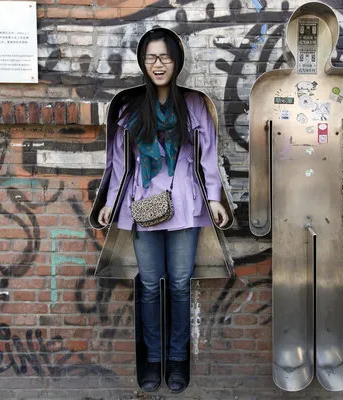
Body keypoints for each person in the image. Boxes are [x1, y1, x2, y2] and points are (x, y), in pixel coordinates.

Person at [96, 28, 229, 393]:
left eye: (165, 57)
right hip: (142, 205)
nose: (158, 64)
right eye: (152, 57)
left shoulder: (195, 104)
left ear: (177, 61)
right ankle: (153, 360)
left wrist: (215, 198)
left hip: (185, 204)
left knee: (181, 285)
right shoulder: (128, 107)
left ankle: (178, 360)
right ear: (142, 61)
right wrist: (109, 203)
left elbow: (208, 157)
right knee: (151, 286)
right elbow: (119, 162)